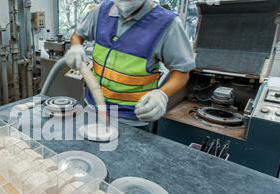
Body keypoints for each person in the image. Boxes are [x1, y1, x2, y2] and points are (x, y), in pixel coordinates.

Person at [65, 0, 195, 125]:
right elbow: (78, 34)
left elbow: (182, 70)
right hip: (93, 106)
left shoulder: (167, 24)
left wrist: (162, 94)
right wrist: (76, 46)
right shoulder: (101, 11)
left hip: (132, 117)